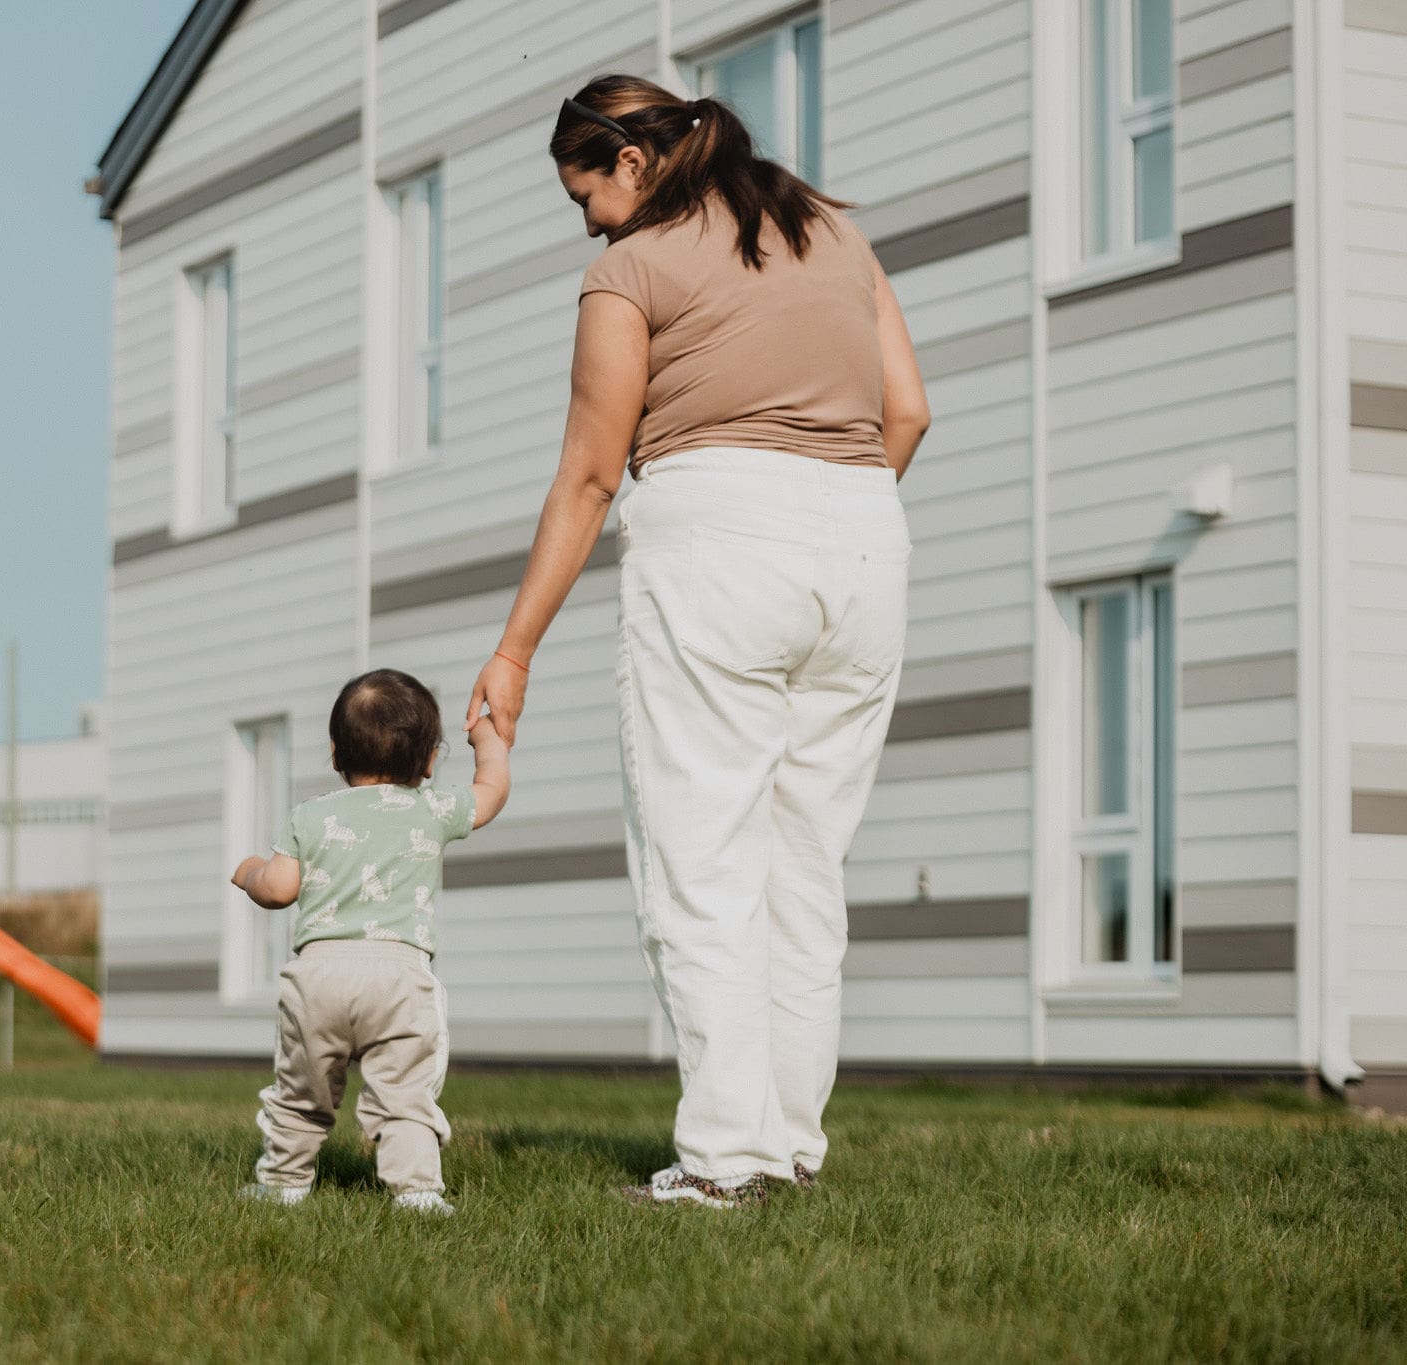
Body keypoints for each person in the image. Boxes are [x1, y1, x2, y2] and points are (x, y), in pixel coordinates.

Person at [462, 76, 931, 1211]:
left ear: (628, 163)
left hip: (719, 535)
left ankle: (726, 1162)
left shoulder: (630, 267)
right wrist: (824, 523)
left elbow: (587, 472)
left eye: (585, 194)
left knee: (701, 861)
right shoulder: (831, 233)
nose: (586, 223)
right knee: (804, 866)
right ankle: (788, 1148)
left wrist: (512, 652)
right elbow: (907, 411)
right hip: (864, 538)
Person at [231, 669, 511, 1215]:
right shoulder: (433, 809)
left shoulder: (310, 816)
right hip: (399, 978)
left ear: (335, 754)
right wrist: (487, 740)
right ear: (430, 760)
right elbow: (492, 792)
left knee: (301, 1089)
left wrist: (248, 873)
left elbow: (280, 889)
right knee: (404, 1091)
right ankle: (417, 1192)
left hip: (318, 978)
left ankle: (285, 1182)